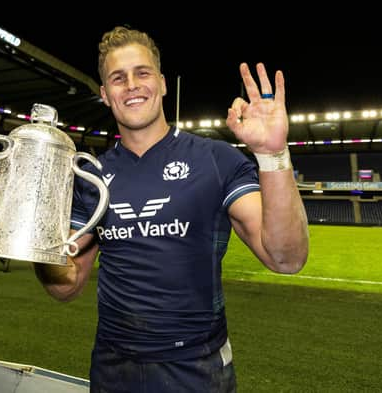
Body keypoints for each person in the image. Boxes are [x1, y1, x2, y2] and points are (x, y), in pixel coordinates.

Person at [33, 26, 309, 393]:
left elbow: (286, 258)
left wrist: (272, 154)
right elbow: (65, 287)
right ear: (105, 94)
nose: (131, 85)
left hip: (196, 369)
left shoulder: (215, 160)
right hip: (113, 368)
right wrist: (34, 229)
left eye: (142, 73)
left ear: (162, 84)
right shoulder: (92, 177)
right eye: (118, 78)